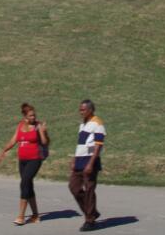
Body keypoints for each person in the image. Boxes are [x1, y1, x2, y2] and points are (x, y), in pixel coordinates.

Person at [0, 102, 49, 225]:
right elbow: (13, 140)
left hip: (35, 159)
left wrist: (42, 131)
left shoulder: (38, 126)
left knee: (24, 182)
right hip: (23, 160)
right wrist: (4, 150)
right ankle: (35, 216)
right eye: (31, 116)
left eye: (34, 115)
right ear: (25, 117)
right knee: (28, 185)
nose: (33, 117)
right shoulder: (20, 125)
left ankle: (21, 216)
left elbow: (44, 142)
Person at [68, 99, 105, 232]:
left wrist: (91, 163)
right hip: (79, 160)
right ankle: (92, 212)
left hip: (90, 161)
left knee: (89, 190)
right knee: (74, 187)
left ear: (90, 110)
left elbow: (98, 146)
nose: (80, 112)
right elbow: (81, 144)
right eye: (80, 109)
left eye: (83, 109)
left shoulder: (98, 123)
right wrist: (74, 159)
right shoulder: (83, 124)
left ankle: (89, 220)